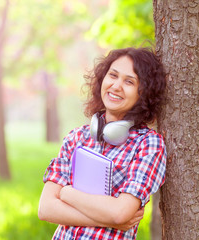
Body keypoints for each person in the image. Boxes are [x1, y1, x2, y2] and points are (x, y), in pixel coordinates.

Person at [38, 47, 167, 240]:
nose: (116, 86)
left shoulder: (148, 144)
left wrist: (66, 193)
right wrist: (108, 219)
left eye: (129, 81)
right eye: (112, 76)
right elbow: (46, 208)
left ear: (144, 93)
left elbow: (119, 213)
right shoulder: (76, 138)